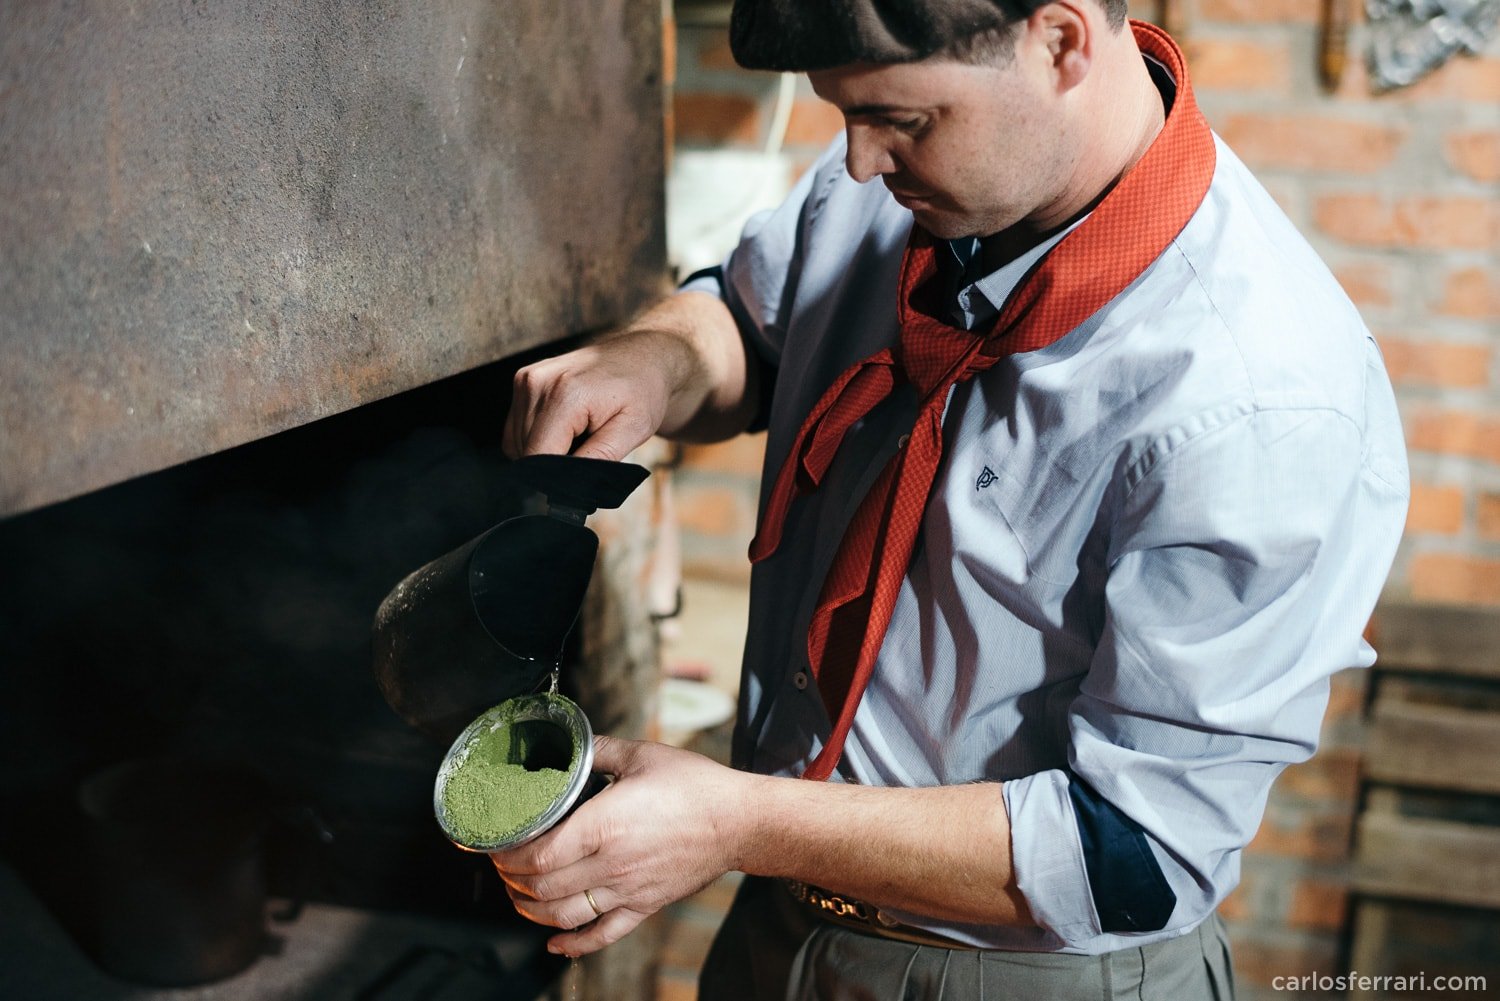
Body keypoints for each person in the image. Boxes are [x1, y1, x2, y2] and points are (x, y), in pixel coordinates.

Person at [491, 1, 1410, 997]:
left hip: (1015, 973)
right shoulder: (912, 181)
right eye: (842, 114)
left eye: (901, 121)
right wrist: (660, 359)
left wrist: (738, 820)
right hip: (778, 931)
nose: (857, 163)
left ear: (1059, 43)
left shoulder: (1259, 399)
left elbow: (1135, 856)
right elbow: (753, 323)